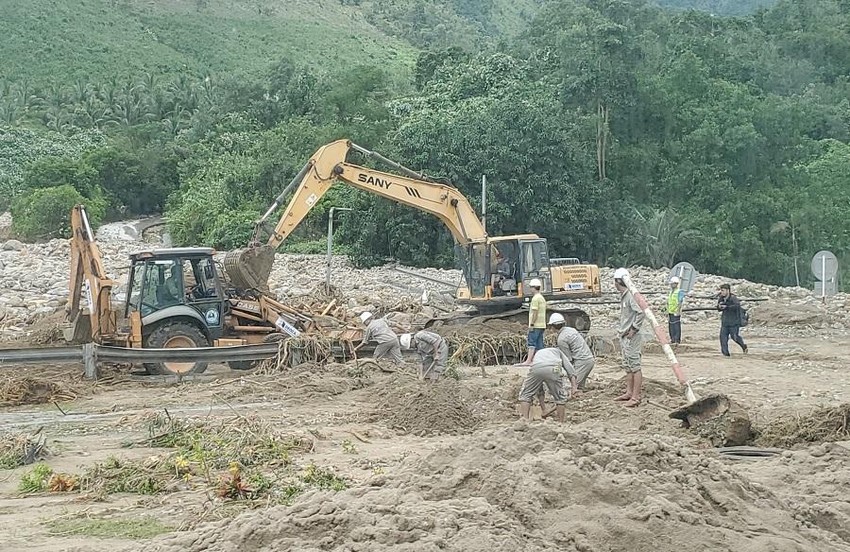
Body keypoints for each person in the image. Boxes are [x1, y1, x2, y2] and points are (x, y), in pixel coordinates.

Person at [517, 347, 578, 423]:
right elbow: (570, 370)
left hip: (537, 368)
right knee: (560, 398)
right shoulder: (559, 352)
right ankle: (561, 423)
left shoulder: (538, 354)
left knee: (525, 395)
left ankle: (524, 421)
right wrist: (574, 387)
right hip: (554, 367)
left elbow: (539, 386)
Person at [614, 268, 645, 408]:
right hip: (625, 336)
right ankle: (629, 392)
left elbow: (640, 313)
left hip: (631, 336)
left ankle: (636, 396)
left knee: (635, 366)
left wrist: (633, 329)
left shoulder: (631, 296)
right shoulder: (625, 296)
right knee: (628, 366)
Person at [548, 313, 595, 389]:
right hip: (589, 359)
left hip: (582, 362)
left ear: (553, 327)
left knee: (570, 387)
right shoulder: (571, 330)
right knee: (579, 386)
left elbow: (568, 360)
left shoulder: (561, 339)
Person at [520, 278, 546, 365]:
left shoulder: (535, 299)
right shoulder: (541, 298)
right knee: (539, 344)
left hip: (536, 325)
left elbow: (535, 312)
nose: (530, 289)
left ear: (534, 288)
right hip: (542, 325)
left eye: (531, 287)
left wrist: (531, 324)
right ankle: (540, 360)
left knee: (531, 342)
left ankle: (528, 361)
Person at [717, 283, 748, 357]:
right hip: (725, 322)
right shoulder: (721, 298)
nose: (722, 292)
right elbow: (718, 308)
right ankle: (726, 354)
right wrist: (720, 307)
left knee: (735, 337)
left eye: (723, 290)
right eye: (721, 291)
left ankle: (744, 346)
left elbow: (737, 306)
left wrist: (727, 307)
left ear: (728, 290)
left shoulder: (733, 298)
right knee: (723, 338)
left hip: (734, 322)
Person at [667, 276, 686, 344]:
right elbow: (669, 301)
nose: (671, 285)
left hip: (675, 312)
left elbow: (680, 302)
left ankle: (677, 340)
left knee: (676, 326)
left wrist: (678, 311)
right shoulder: (671, 292)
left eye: (672, 283)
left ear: (676, 284)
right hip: (670, 311)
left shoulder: (679, 292)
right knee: (671, 326)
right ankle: (672, 339)